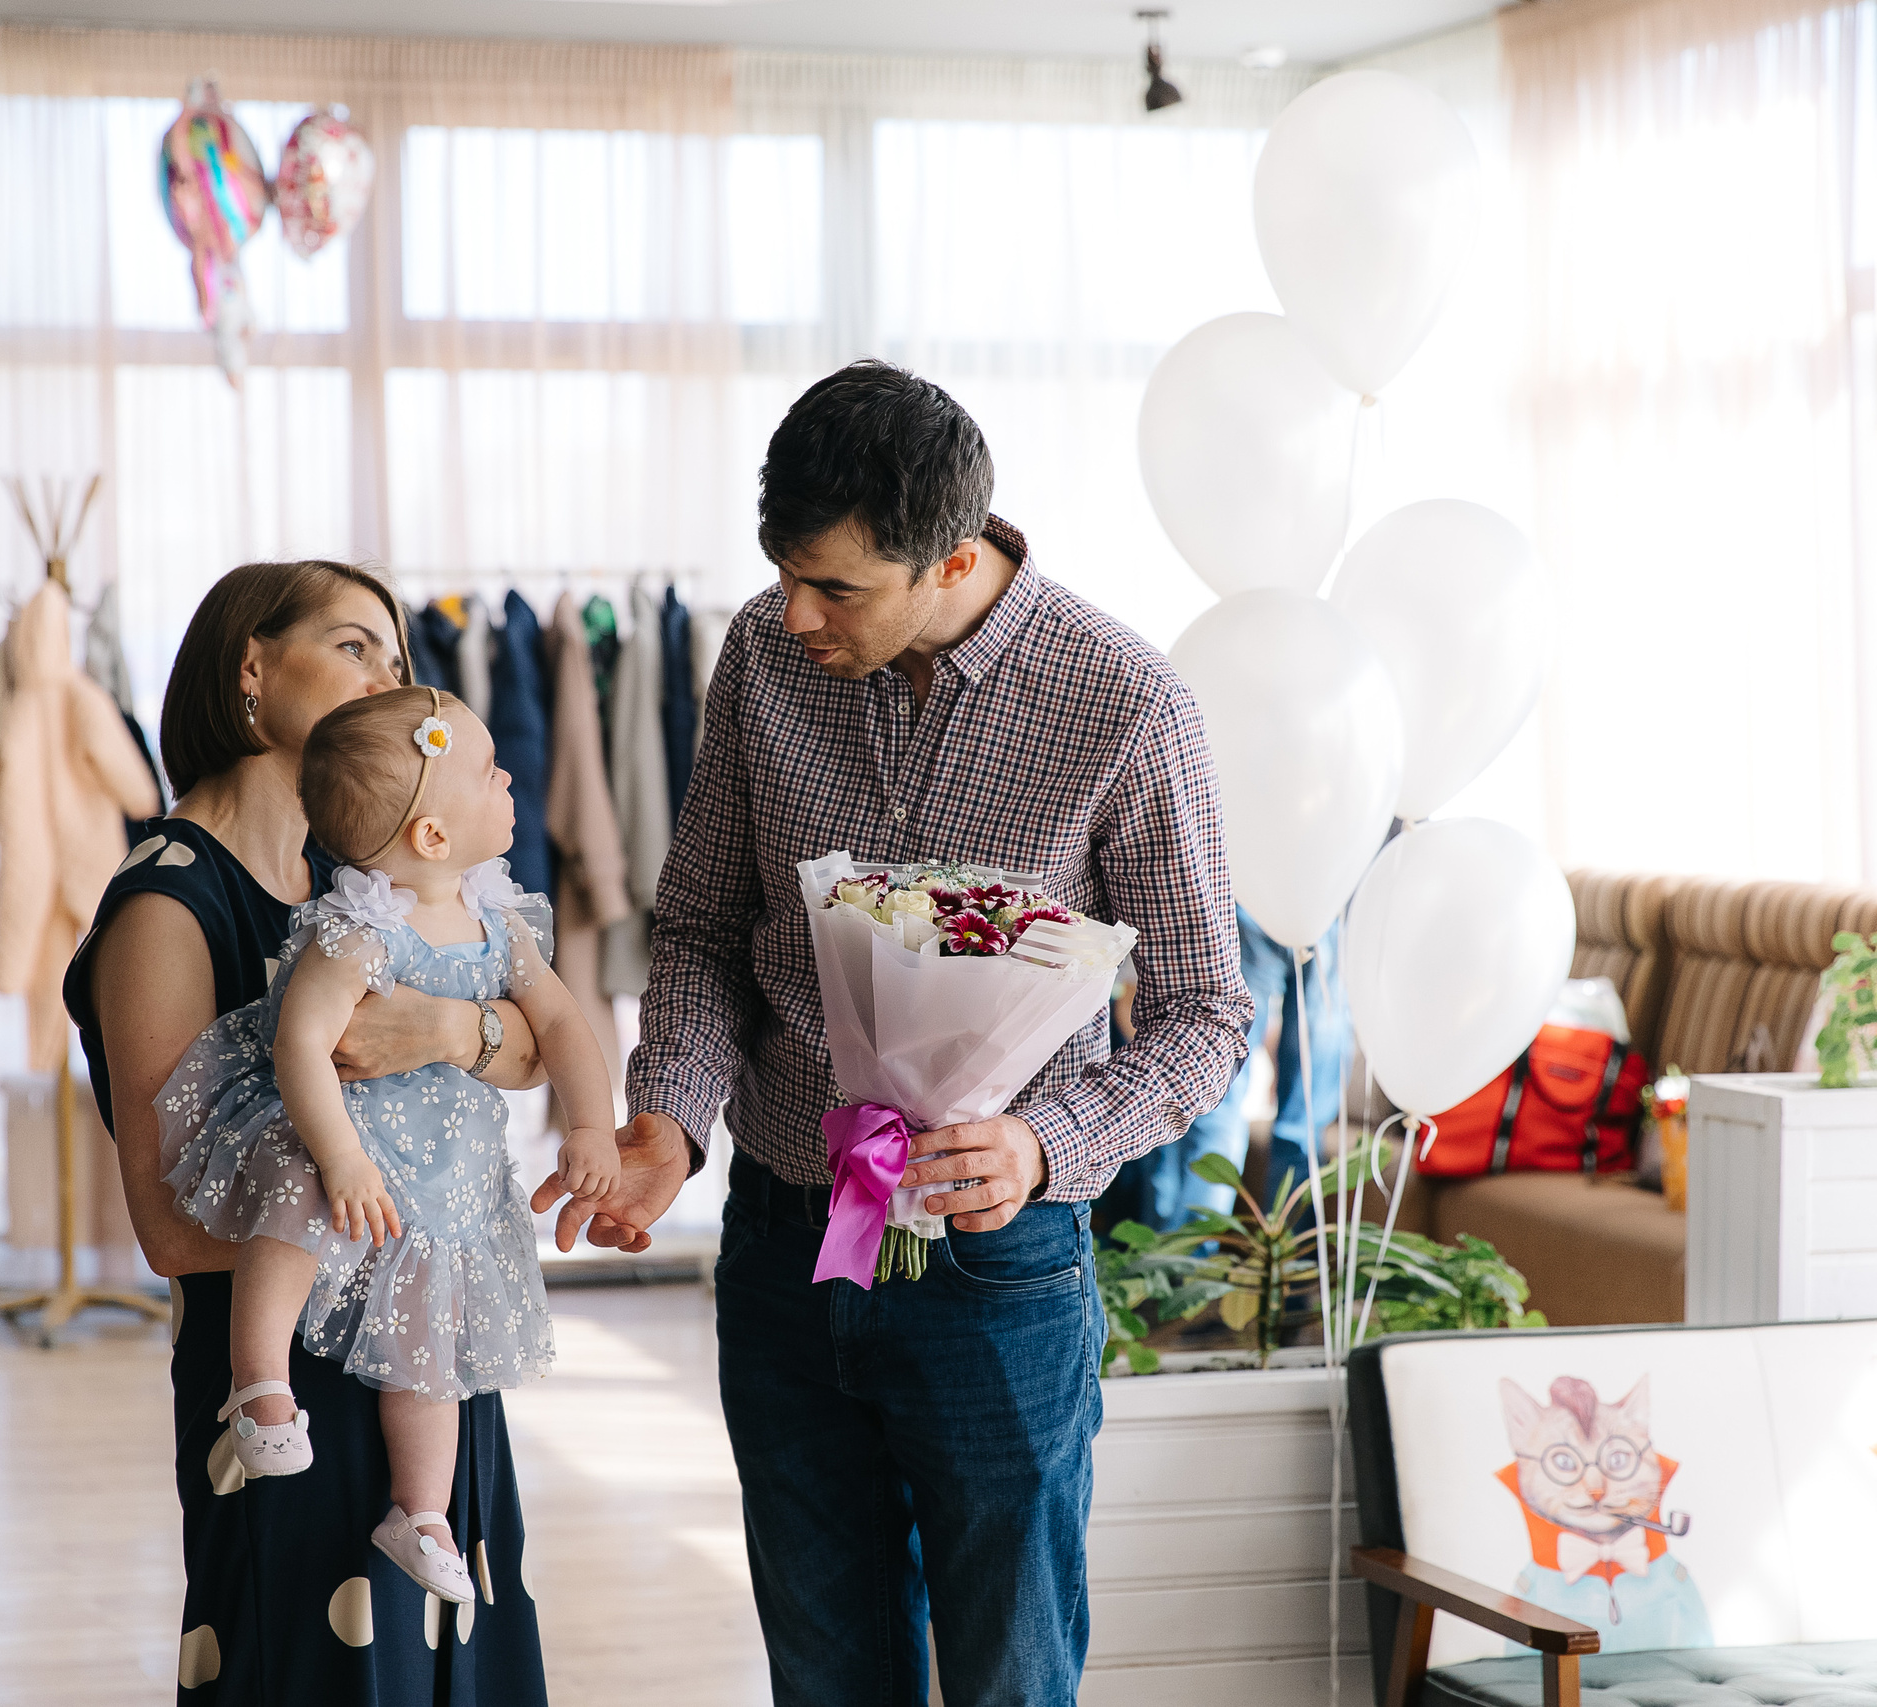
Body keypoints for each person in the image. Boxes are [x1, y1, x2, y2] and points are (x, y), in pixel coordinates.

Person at [536, 361, 1255, 1704]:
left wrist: (1045, 1143)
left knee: (1007, 1673)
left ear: (953, 559)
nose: (796, 612)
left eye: (839, 588)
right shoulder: (760, 655)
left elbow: (1212, 1012)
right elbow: (700, 923)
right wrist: (670, 1119)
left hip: (998, 1266)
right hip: (781, 1243)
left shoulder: (1127, 704)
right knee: (825, 1674)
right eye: (786, 572)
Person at [65, 561, 552, 1704]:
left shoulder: (380, 875)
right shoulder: (167, 902)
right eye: (353, 646)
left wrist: (443, 1028)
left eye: (396, 655)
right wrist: (414, 1223)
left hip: (431, 1359)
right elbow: (172, 1228)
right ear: (250, 669)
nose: (391, 677)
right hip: (295, 1388)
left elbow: (535, 1043)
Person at [156, 686, 620, 1604]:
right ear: (434, 839)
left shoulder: (503, 916)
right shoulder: (358, 928)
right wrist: (340, 1155)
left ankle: (422, 1512)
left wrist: (591, 1124)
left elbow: (563, 1024)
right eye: (488, 771)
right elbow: (301, 1040)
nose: (511, 776)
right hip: (348, 1144)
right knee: (291, 1207)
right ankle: (260, 1385)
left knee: (432, 1348)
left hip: (446, 1182)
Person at [1129, 902, 1352, 1228]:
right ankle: (1284, 1267)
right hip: (1320, 908)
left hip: (1266, 902)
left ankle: (1186, 1263)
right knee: (1293, 1118)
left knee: (1221, 1104)